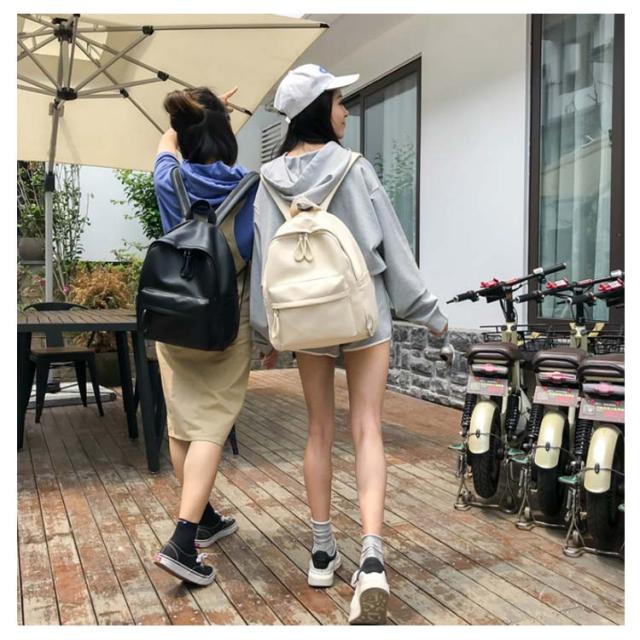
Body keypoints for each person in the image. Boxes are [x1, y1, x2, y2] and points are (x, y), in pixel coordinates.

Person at [250, 64, 448, 624]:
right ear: (318, 108)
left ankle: (321, 553)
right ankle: (373, 560)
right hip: (364, 313)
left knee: (318, 428)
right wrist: (428, 313)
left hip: (306, 318)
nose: (346, 110)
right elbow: (392, 248)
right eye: (339, 100)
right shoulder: (354, 168)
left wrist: (268, 332)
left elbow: (264, 262)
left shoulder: (267, 180)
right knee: (366, 427)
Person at [151, 86, 258, 586]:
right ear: (226, 137)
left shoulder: (169, 177)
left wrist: (197, 117)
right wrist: (217, 115)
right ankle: (182, 540)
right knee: (212, 426)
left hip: (174, 317)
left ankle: (206, 518)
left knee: (182, 425)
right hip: (225, 323)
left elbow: (167, 141)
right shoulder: (251, 188)